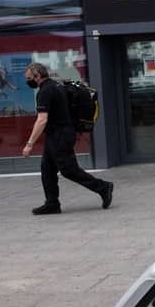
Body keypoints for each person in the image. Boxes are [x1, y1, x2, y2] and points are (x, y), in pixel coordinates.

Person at [21, 63, 114, 215]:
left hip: (60, 135)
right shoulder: (56, 86)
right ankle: (52, 203)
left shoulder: (45, 91)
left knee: (69, 170)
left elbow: (42, 120)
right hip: (58, 134)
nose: (28, 81)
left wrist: (29, 144)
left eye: (29, 78)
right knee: (47, 169)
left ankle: (103, 187)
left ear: (38, 76)